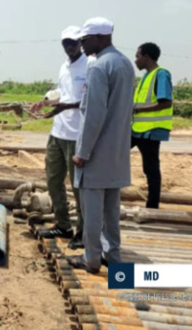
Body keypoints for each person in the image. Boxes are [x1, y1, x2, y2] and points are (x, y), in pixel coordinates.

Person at [66, 17, 135, 273]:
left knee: (92, 210)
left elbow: (93, 115)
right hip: (117, 152)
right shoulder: (125, 64)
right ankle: (112, 255)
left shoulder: (98, 67)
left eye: (85, 40)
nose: (82, 45)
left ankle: (91, 259)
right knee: (111, 211)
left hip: (96, 152)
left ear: (101, 38)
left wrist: (82, 152)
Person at [30, 26, 89, 250]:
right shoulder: (64, 67)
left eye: (73, 42)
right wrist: (48, 105)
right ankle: (63, 224)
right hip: (58, 133)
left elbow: (89, 100)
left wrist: (65, 105)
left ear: (81, 43)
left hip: (77, 134)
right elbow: (63, 97)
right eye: (66, 43)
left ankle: (83, 230)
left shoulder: (90, 65)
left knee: (79, 186)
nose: (69, 47)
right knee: (53, 180)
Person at [132, 42, 173, 209]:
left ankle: (152, 207)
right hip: (138, 129)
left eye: (138, 56)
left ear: (147, 57)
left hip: (151, 130)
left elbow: (165, 103)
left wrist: (137, 109)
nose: (136, 60)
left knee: (151, 169)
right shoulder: (145, 77)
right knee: (112, 152)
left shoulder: (161, 75)